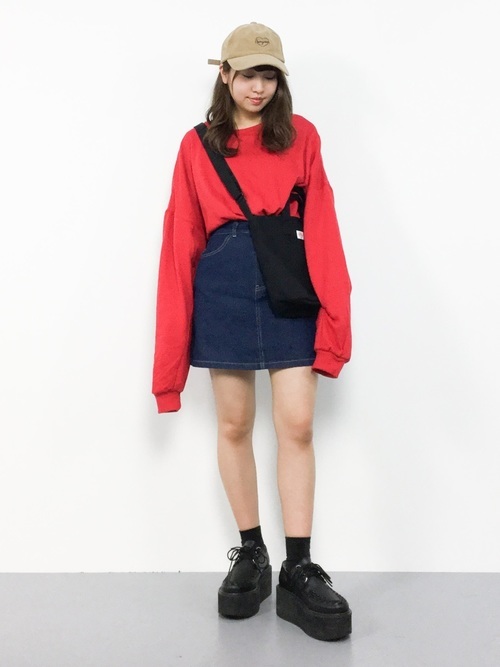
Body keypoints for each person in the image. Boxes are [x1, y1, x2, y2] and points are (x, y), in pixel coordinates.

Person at [152, 22, 352, 641]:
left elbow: (323, 226)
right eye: (247, 74)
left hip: (289, 283)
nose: (258, 87)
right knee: (235, 425)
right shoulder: (197, 145)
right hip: (224, 285)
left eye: (269, 75)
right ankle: (253, 554)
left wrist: (336, 326)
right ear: (225, 75)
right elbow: (181, 239)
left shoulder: (302, 137)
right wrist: (168, 367)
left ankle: (299, 567)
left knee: (297, 425)